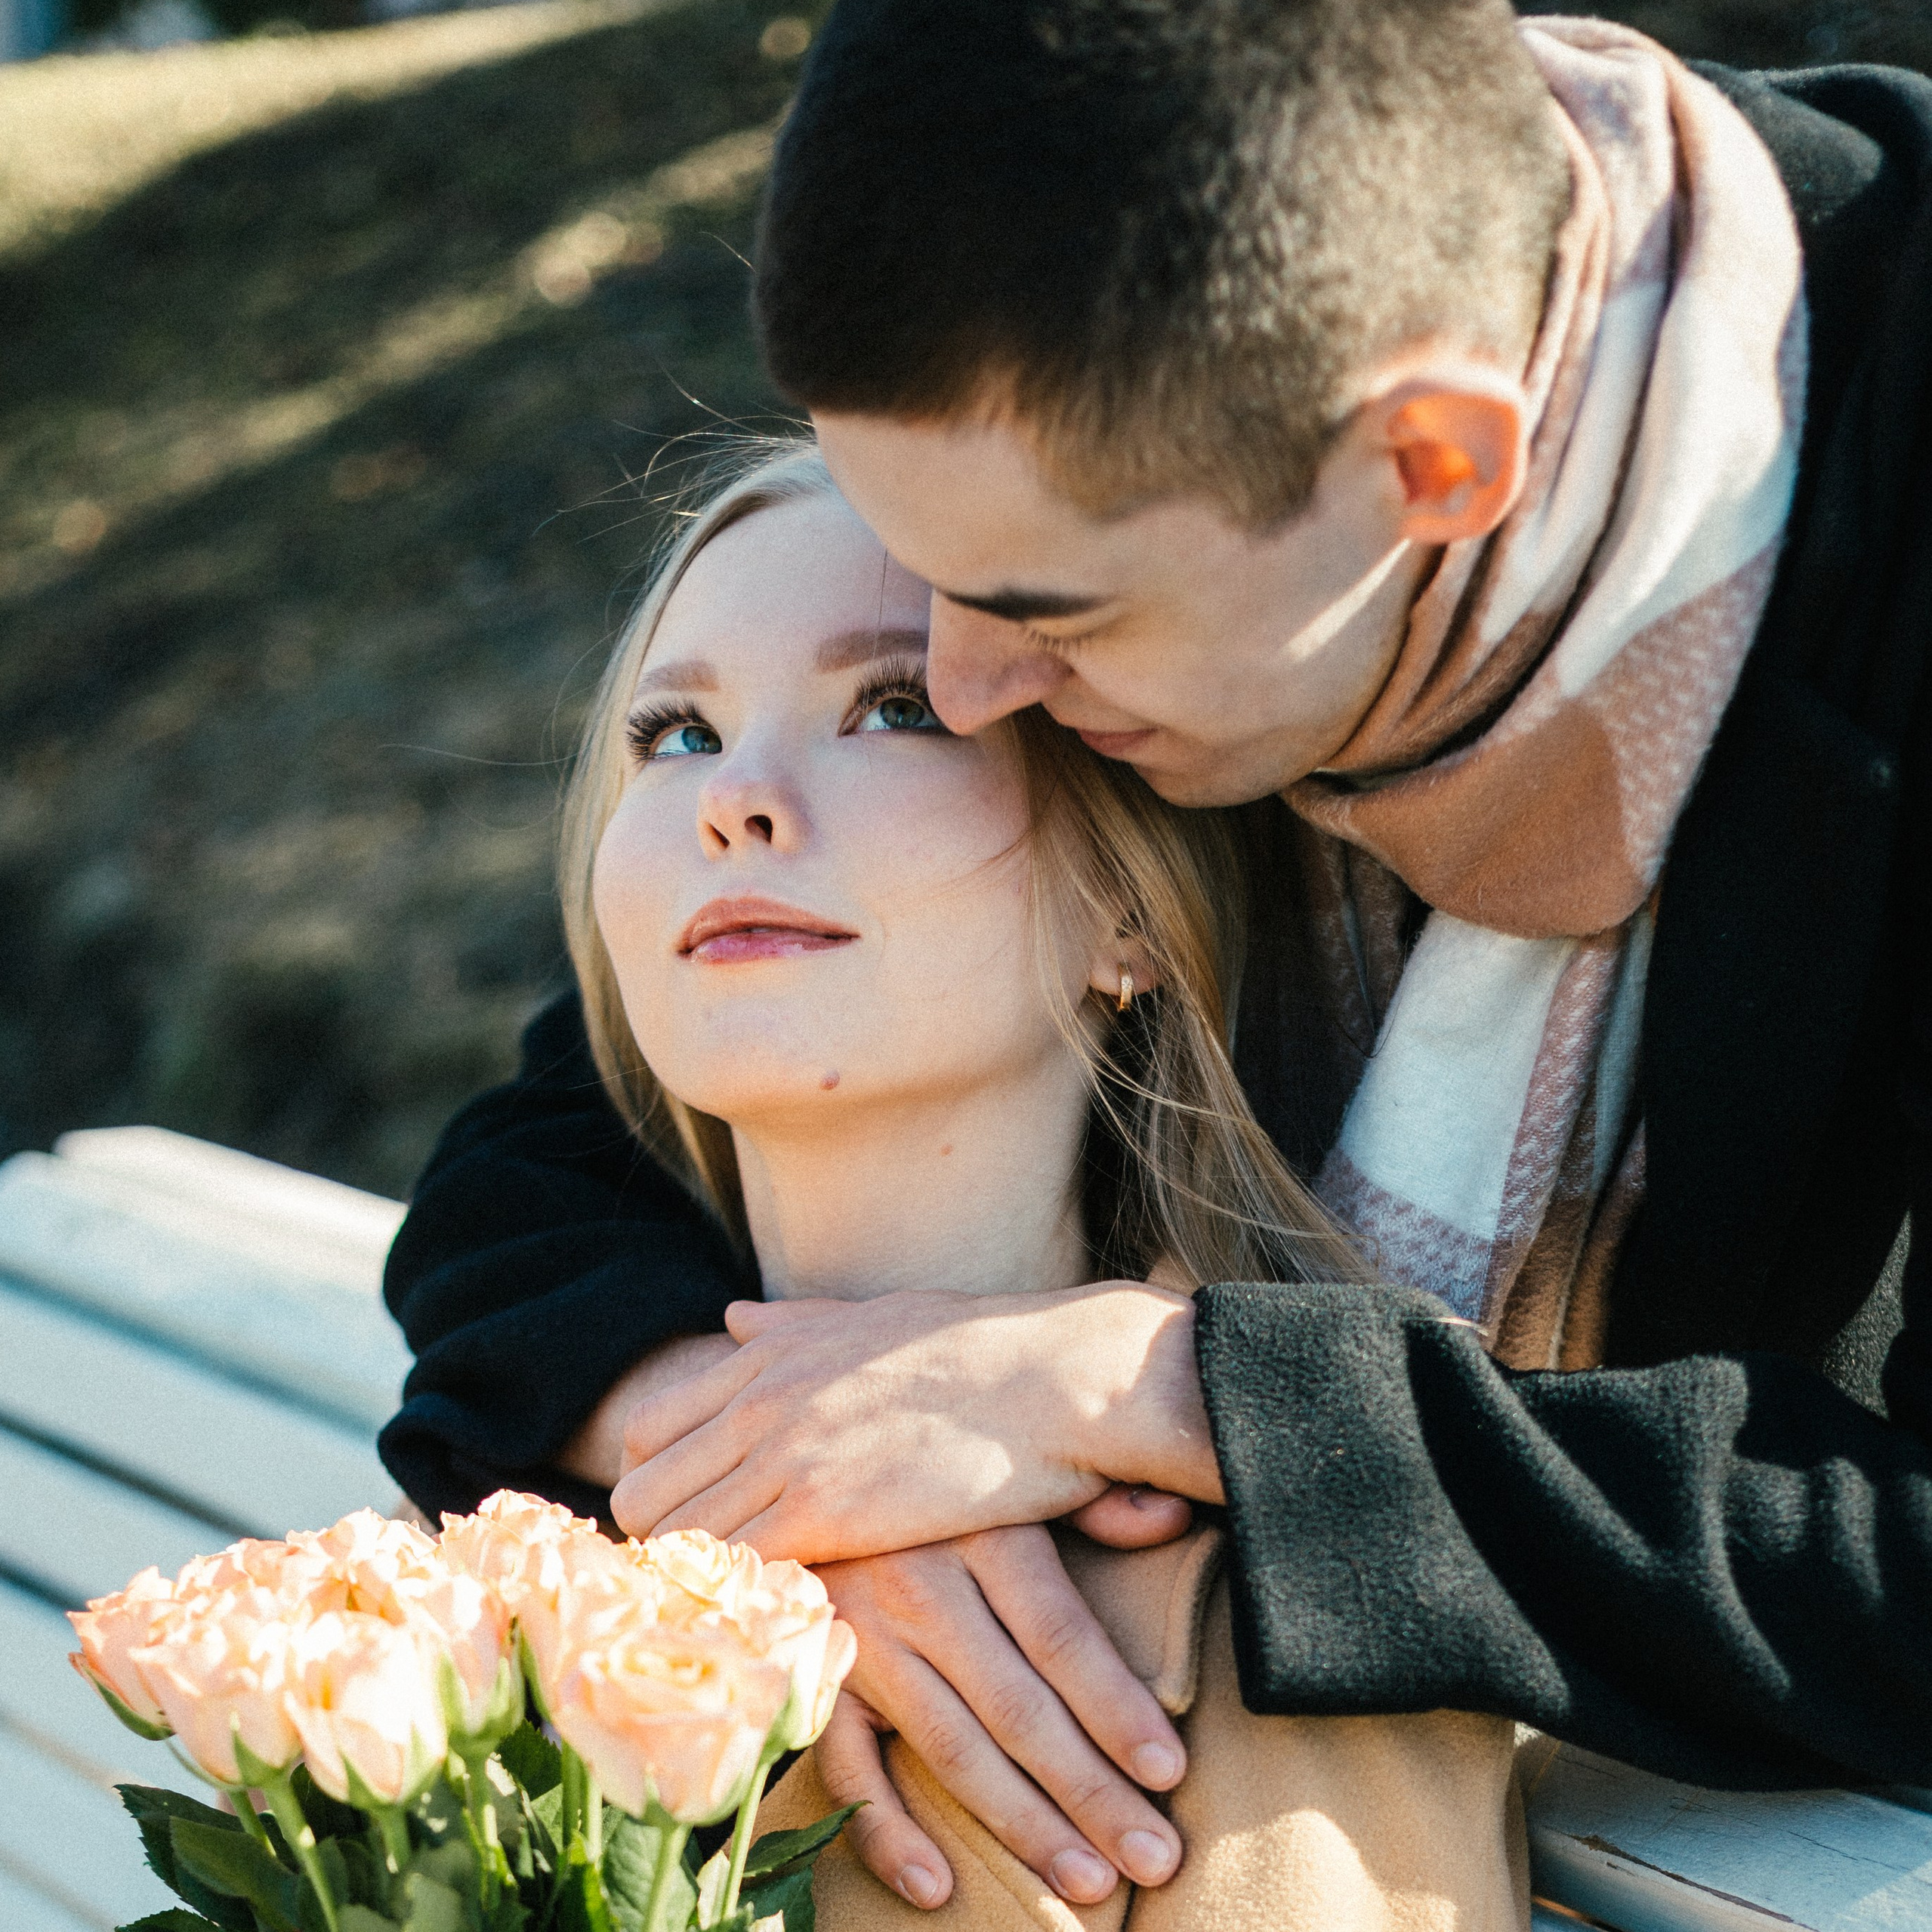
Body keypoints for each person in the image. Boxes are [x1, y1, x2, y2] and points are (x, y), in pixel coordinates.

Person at [381, 0, 1932, 1912]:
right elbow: (574, 1121)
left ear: (1432, 469)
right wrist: (784, 1466)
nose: (967, 683)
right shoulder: (1202, 420)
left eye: (1046, 611)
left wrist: (1172, 1399)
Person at [548, 438, 1529, 1927]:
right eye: (674, 731)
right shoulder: (501, 1563)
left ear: (1128, 913)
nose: (731, 799)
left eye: (892, 707)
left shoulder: (1286, 1611)